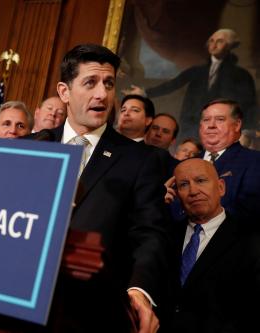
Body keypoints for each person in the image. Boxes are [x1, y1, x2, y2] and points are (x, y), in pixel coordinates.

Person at [31, 44, 169, 333]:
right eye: (90, 83)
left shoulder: (140, 160)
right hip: (22, 298)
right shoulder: (32, 146)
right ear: (64, 91)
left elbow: (149, 235)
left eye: (108, 84)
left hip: (93, 311)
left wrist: (140, 290)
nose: (102, 94)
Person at [166, 158, 260, 332]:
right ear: (176, 194)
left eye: (201, 181)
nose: (193, 191)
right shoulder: (164, 236)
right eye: (184, 185)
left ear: (221, 187)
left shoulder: (251, 241)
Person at [124, 29, 257, 139]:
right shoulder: (198, 71)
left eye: (220, 41)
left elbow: (249, 103)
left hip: (221, 128)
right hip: (192, 125)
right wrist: (145, 93)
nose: (214, 45)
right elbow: (173, 84)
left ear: (230, 46)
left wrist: (247, 129)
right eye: (211, 41)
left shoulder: (241, 75)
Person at [165, 99, 260, 223]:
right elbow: (173, 207)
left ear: (237, 125)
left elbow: (250, 212)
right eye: (206, 120)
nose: (211, 125)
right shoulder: (184, 165)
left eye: (220, 119)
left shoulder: (254, 161)